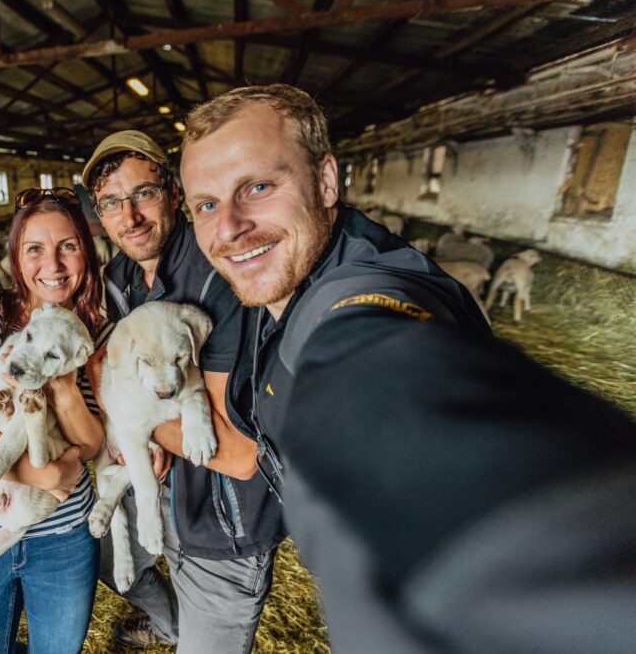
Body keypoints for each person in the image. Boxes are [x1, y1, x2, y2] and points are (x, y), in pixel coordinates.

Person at [180, 84, 636, 651]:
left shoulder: (358, 294)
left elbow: (373, 359)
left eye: (259, 187)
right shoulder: (270, 287)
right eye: (205, 204)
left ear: (326, 181)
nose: (228, 227)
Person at [81, 131, 282, 652]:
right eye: (111, 203)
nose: (130, 216)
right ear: (99, 214)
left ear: (174, 193)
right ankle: (169, 625)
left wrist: (120, 407)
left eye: (143, 193)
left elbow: (238, 455)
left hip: (222, 518)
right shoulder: (120, 277)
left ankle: (189, 632)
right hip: (158, 489)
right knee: (102, 557)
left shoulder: (224, 271)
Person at [0, 187, 110, 654]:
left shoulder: (98, 332)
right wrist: (43, 473)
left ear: (86, 253)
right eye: (35, 249)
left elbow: (91, 445)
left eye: (68, 247)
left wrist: (67, 384)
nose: (52, 265)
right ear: (15, 254)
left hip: (63, 534)